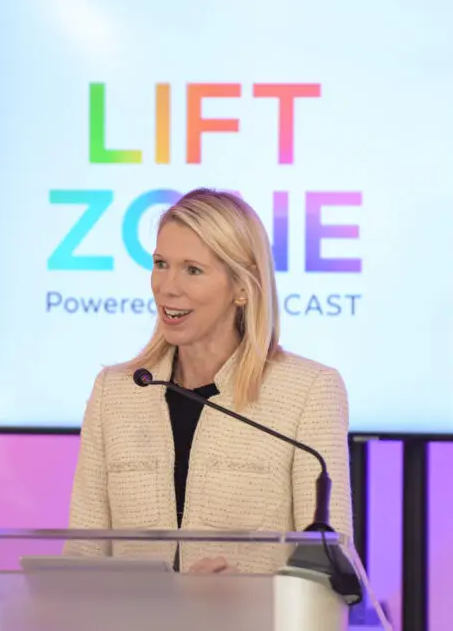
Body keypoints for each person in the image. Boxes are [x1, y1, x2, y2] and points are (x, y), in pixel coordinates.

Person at [66, 188, 354, 574]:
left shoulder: (308, 391)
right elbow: (83, 560)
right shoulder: (115, 392)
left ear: (241, 287)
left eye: (193, 270)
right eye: (160, 263)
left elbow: (328, 570)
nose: (167, 286)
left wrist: (250, 597)